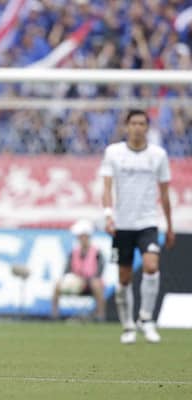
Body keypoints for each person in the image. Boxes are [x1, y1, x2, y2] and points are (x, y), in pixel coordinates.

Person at [100, 109, 175, 345]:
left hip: (147, 222)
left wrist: (170, 226)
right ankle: (128, 326)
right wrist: (108, 215)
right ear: (126, 127)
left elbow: (165, 194)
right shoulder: (113, 153)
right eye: (133, 123)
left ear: (147, 128)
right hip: (122, 224)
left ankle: (145, 318)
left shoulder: (158, 155)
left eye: (142, 124)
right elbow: (106, 187)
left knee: (151, 266)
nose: (137, 128)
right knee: (123, 278)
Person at [51, 219, 105, 321]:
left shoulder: (97, 252)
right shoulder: (73, 252)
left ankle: (100, 315)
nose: (81, 239)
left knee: (96, 284)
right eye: (79, 237)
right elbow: (66, 271)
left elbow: (99, 271)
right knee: (57, 284)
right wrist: (72, 279)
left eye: (83, 236)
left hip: (90, 283)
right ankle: (55, 315)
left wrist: (87, 280)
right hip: (76, 282)